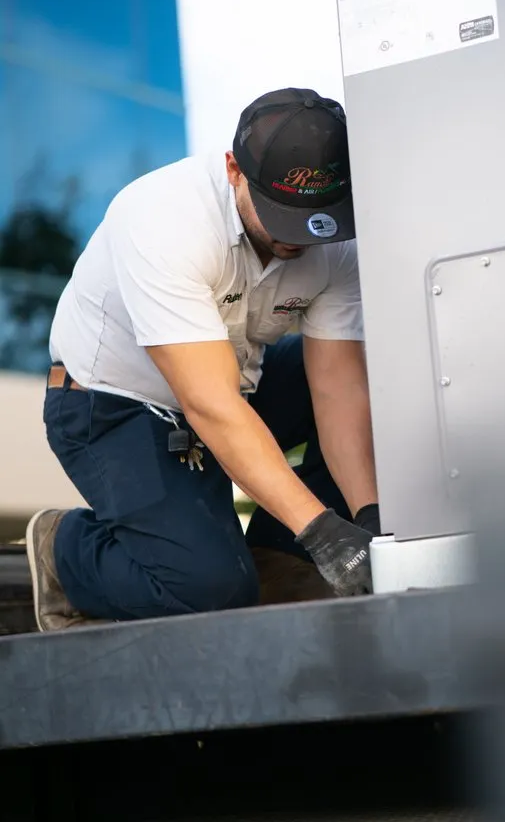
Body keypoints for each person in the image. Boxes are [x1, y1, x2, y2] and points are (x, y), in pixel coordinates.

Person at [27, 87, 381, 631]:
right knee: (210, 590)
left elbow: (338, 388)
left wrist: (367, 524)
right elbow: (209, 404)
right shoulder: (163, 218)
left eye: (317, 218)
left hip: (236, 386)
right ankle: (66, 550)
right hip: (115, 409)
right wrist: (322, 530)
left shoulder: (334, 238)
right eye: (284, 216)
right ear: (234, 169)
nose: (302, 239)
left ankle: (279, 560)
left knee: (385, 380)